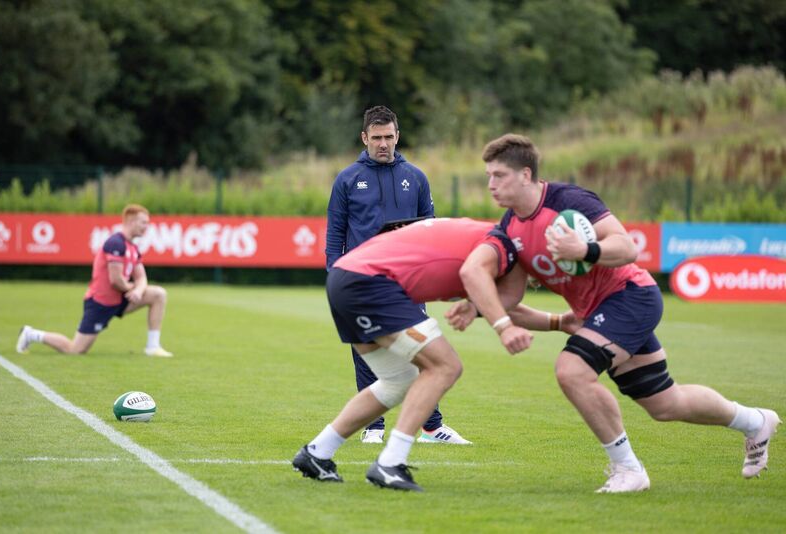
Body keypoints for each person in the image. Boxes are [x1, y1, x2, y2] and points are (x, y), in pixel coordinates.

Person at [447, 133, 780, 493]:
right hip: (600, 312)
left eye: (499, 176)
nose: (491, 185)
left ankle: (629, 470)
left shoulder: (568, 200)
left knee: (572, 371)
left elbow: (626, 246)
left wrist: (584, 248)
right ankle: (755, 421)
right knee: (665, 403)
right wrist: (477, 306)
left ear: (526, 175)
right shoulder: (510, 227)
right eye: (488, 177)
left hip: (631, 295)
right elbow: (511, 293)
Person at [294, 217, 536, 491]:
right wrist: (504, 329)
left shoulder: (480, 240)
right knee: (445, 366)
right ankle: (390, 463)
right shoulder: (498, 248)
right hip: (371, 283)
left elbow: (495, 303)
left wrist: (559, 322)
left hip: (348, 277)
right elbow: (484, 287)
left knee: (399, 380)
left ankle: (317, 452)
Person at [325, 105, 469, 445]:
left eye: (389, 137)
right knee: (368, 351)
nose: (383, 144)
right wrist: (335, 275)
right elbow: (335, 235)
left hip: (408, 282)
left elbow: (430, 230)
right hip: (362, 281)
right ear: (364, 138)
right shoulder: (347, 179)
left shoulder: (416, 177)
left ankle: (432, 427)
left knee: (424, 352)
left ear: (397, 136)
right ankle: (373, 427)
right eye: (376, 138)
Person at [16, 204, 173, 357]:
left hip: (121, 299)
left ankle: (153, 347)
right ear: (130, 221)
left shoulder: (132, 247)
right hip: (101, 303)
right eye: (143, 222)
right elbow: (116, 280)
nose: (147, 226)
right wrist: (133, 289)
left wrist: (138, 290)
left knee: (158, 294)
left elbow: (141, 277)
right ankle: (31, 334)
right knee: (75, 350)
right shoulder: (115, 243)